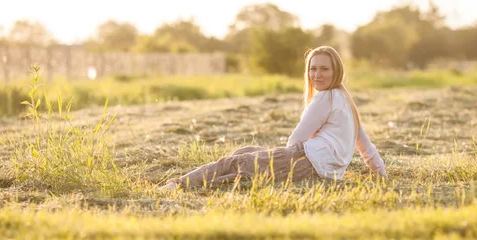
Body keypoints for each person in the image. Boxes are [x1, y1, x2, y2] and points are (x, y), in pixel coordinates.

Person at [159, 46, 386, 191]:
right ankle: (197, 181)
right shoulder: (346, 100)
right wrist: (380, 173)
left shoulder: (326, 97)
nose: (317, 75)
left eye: (324, 69)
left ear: (337, 71)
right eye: (313, 69)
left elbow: (297, 138)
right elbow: (365, 145)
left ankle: (177, 184)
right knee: (243, 152)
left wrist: (280, 158)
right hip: (324, 170)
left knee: (238, 164)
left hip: (307, 162)